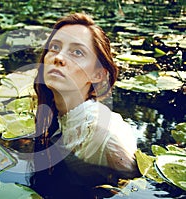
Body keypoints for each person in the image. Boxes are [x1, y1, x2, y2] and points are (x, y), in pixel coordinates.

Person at [32, 13, 139, 179]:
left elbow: (138, 189)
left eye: (77, 52)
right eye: (54, 47)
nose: (59, 58)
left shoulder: (106, 136)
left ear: (97, 75)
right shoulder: (54, 115)